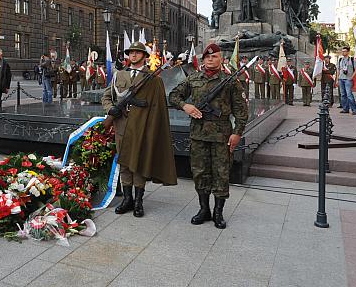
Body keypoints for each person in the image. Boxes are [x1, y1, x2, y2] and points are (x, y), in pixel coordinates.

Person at [169, 43, 248, 229]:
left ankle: (218, 213)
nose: (211, 59)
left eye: (215, 57)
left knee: (221, 174)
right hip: (198, 135)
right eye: (207, 57)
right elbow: (173, 96)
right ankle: (203, 209)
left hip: (222, 136)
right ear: (203, 59)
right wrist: (185, 106)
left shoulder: (231, 81)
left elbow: (241, 111)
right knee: (199, 173)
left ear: (221, 59)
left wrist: (237, 133)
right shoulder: (193, 79)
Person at [102, 41, 177, 217]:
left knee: (138, 163)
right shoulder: (119, 75)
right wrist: (110, 109)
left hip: (141, 127)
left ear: (144, 56)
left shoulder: (152, 78)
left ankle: (138, 201)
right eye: (131, 53)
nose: (133, 55)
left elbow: (157, 106)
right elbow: (107, 96)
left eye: (137, 52)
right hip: (121, 124)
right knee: (125, 164)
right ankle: (127, 199)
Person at [337, 45, 356, 114]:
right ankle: (345, 109)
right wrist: (337, 79)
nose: (343, 53)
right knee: (343, 94)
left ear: (348, 52)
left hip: (348, 79)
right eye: (342, 51)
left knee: (349, 94)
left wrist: (352, 77)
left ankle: (354, 110)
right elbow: (338, 70)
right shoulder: (340, 59)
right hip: (341, 78)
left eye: (345, 51)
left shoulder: (352, 59)